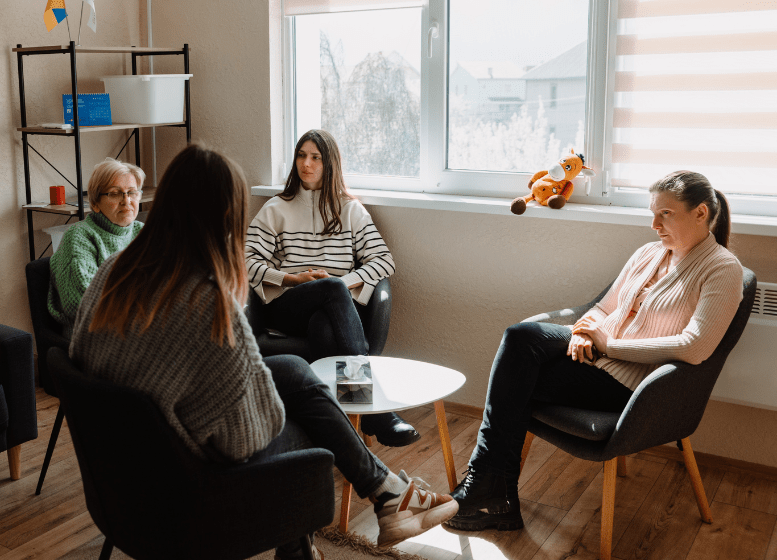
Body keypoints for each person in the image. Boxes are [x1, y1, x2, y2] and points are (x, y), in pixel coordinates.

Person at [70, 143, 458, 557]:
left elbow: (83, 354)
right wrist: (268, 395)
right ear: (225, 218)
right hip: (184, 478)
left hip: (122, 465)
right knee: (312, 428)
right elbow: (244, 439)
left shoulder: (115, 270)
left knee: (292, 368)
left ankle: (386, 493)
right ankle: (338, 524)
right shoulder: (208, 302)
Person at [446, 171, 744, 532]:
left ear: (700, 213)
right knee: (521, 337)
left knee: (515, 377)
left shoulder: (722, 269)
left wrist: (608, 344)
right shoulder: (650, 252)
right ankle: (491, 488)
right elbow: (603, 308)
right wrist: (584, 333)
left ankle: (489, 487)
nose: (654, 224)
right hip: (594, 359)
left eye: (665, 214)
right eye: (653, 213)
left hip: (632, 388)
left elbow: (695, 348)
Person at [245, 129, 419, 448]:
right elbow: (246, 260)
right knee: (330, 291)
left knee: (324, 325)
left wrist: (342, 282)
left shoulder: (350, 209)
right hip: (288, 304)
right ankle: (376, 414)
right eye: (301, 155)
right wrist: (292, 279)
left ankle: (335, 429)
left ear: (330, 164)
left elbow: (383, 261)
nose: (306, 164)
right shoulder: (276, 208)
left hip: (334, 310)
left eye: (315, 157)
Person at [48, 158, 145, 334]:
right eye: (115, 193)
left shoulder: (143, 233)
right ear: (95, 204)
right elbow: (85, 304)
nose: (126, 200)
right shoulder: (79, 237)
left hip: (141, 325)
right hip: (95, 336)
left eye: (132, 192)